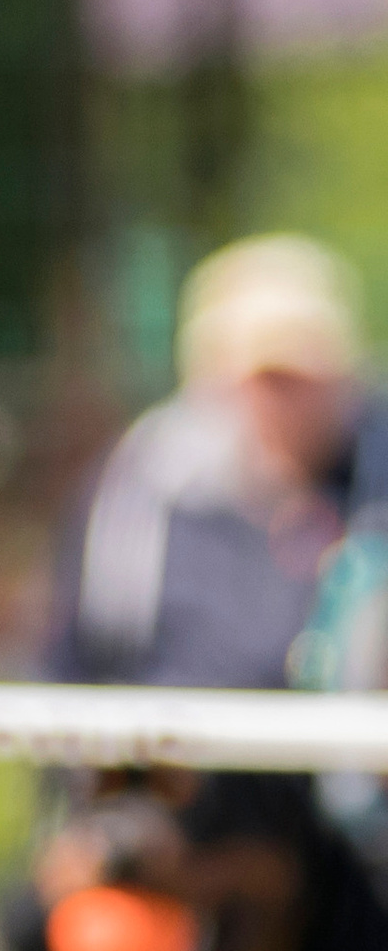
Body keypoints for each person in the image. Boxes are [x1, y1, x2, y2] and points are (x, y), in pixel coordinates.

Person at [49, 235, 388, 695]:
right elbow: (72, 662)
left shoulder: (372, 481)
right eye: (263, 378)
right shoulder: (138, 495)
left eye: (300, 377)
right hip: (184, 754)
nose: (279, 403)